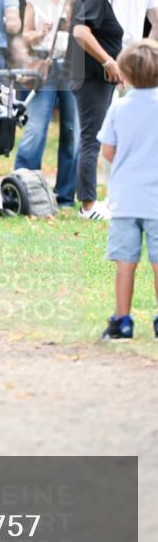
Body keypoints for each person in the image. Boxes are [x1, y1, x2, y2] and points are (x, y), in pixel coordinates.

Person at [97, 40, 158, 340]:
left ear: (128, 74)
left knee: (126, 263)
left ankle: (122, 321)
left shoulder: (119, 109)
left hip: (126, 199)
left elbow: (107, 151)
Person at [13, 0, 83, 207]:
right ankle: (23, 187)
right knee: (35, 128)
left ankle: (65, 196)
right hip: (44, 65)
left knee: (71, 130)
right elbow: (25, 34)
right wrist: (40, 33)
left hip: (73, 66)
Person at [67, 0, 129, 220]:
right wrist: (108, 62)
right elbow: (81, 32)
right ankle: (88, 206)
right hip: (90, 78)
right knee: (91, 139)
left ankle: (92, 201)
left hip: (97, 79)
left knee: (93, 138)